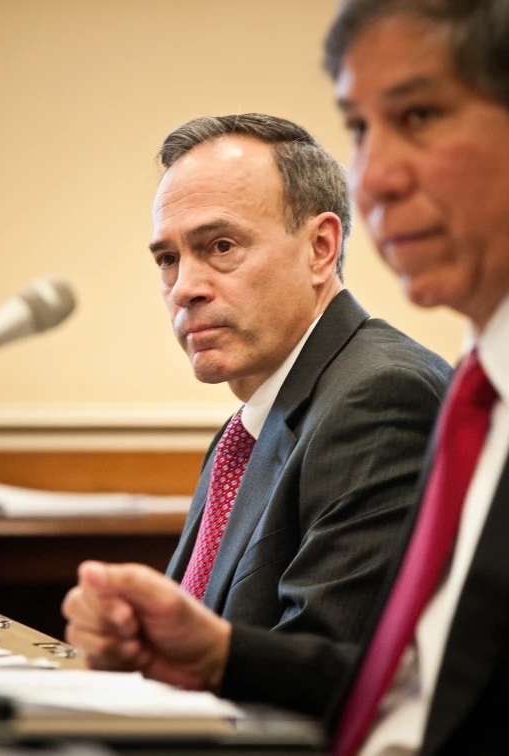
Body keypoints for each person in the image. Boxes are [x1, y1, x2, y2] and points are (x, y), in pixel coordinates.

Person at [63, 112, 450, 671]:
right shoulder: (255, 419)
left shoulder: (379, 397)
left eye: (220, 246)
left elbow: (339, 673)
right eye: (168, 259)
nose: (186, 289)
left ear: (320, 247)